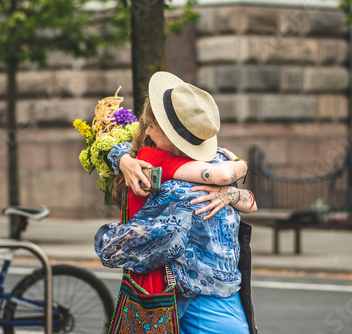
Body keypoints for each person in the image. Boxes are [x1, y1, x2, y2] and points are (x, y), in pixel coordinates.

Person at [95, 71, 257, 333]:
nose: (146, 129)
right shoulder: (219, 158)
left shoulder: (172, 187)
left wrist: (105, 239)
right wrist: (235, 182)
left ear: (172, 139)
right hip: (228, 295)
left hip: (194, 302)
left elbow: (127, 249)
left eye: (151, 125)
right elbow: (250, 201)